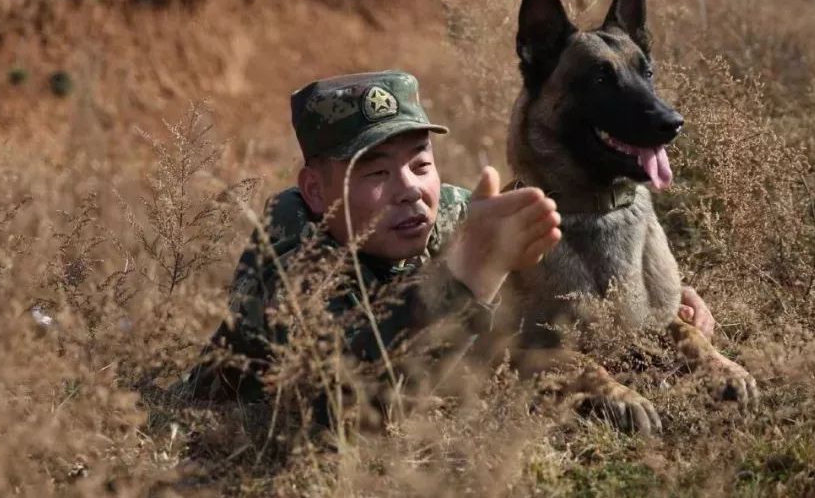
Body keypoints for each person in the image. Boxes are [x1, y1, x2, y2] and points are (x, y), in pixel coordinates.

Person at [179, 70, 714, 411]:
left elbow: (552, 262)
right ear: (317, 192)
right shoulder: (289, 241)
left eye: (420, 163)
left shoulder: (455, 211)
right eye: (375, 173)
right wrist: (469, 276)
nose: (409, 189)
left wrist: (653, 298)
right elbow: (341, 394)